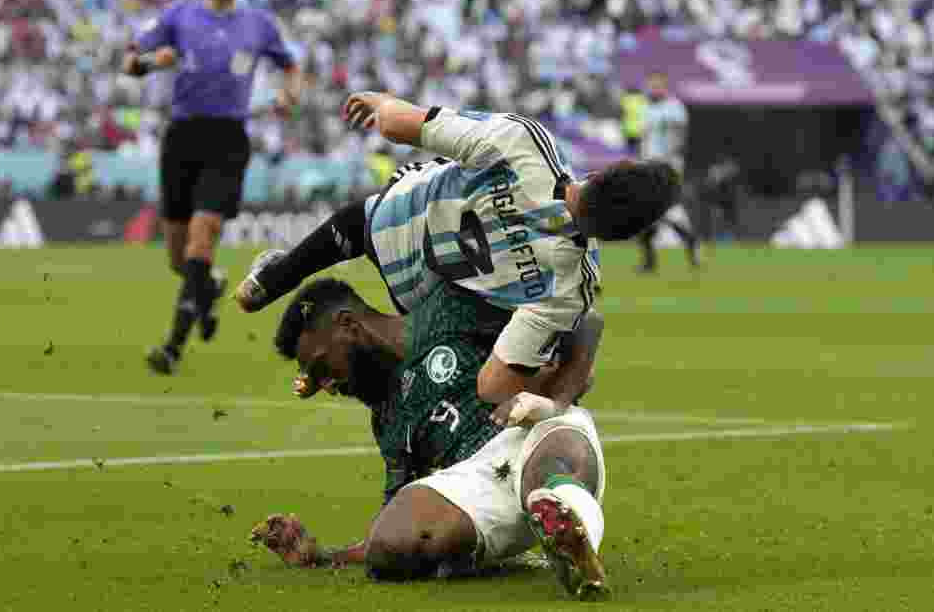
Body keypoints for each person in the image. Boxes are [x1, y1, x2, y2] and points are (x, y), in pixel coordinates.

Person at [236, 91, 679, 402]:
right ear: (619, 236)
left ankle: (272, 279)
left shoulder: (527, 144)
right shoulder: (572, 284)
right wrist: (555, 392)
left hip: (390, 219)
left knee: (346, 231)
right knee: (541, 339)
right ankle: (334, 370)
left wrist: (382, 103)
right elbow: (493, 388)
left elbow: (402, 125)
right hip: (423, 304)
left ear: (601, 173)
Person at [250, 277, 609, 600]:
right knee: (388, 544)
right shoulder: (387, 420)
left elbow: (585, 321)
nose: (326, 385)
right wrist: (325, 557)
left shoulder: (449, 308)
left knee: (548, 469)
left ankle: (571, 536)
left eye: (321, 367)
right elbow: (392, 517)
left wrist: (554, 401)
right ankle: (556, 524)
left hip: (535, 427)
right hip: (477, 484)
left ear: (347, 325)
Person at [120, 0, 302, 375]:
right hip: (182, 138)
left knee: (204, 238)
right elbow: (129, 60)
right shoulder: (178, 15)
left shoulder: (259, 23)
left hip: (227, 139)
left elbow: (291, 66)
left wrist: (288, 93)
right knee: (180, 259)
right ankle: (211, 285)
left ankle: (172, 347)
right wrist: (149, 63)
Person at [637, 72, 701, 273]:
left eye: (657, 85)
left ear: (665, 87)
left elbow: (679, 138)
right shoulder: (647, 108)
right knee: (652, 213)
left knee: (657, 211)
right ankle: (686, 245)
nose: (653, 89)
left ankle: (688, 243)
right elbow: (645, 139)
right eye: (651, 85)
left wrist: (669, 162)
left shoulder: (674, 108)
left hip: (665, 166)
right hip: (649, 165)